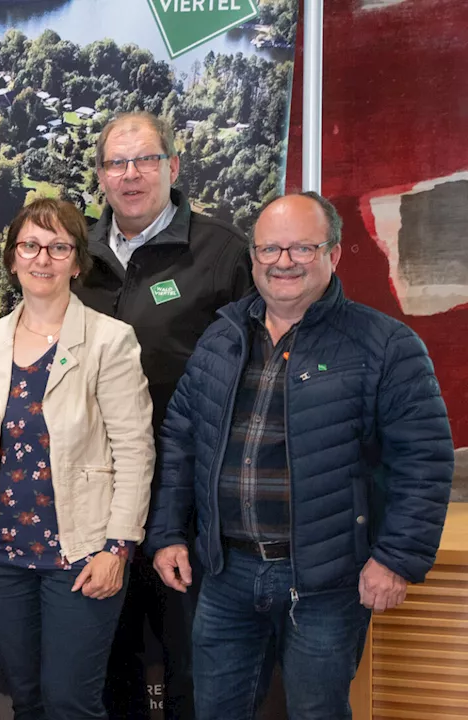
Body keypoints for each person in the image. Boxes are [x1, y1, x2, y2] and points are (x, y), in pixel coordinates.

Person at [147, 192, 454, 719]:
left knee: (318, 711)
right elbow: (180, 438)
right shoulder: (222, 337)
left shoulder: (385, 346)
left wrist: (396, 559)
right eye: (269, 249)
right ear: (253, 258)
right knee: (216, 710)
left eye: (301, 248)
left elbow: (424, 461)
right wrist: (169, 533)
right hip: (225, 573)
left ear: (333, 253)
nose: (283, 262)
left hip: (327, 581)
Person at [73, 111, 254, 720]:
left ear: (173, 168)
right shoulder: (78, 260)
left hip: (190, 499)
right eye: (116, 163)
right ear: (99, 176)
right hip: (96, 502)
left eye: (145, 160)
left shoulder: (223, 254)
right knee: (107, 660)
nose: (131, 175)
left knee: (191, 659)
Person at [0, 198, 155, 719]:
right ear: (13, 258)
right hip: (2, 554)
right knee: (28, 700)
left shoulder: (110, 341)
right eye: (31, 246)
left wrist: (118, 547)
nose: (43, 258)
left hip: (83, 553)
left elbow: (135, 449)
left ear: (77, 262)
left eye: (59, 246)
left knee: (71, 703)